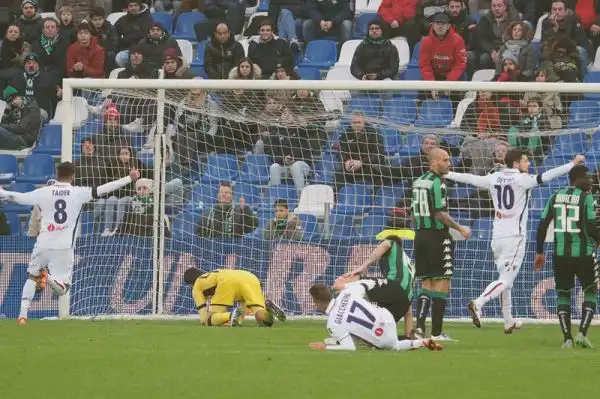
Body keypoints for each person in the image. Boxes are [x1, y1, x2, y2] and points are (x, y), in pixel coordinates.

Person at [444, 149, 585, 332]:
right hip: (515, 237)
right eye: (525, 161)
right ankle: (479, 302)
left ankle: (508, 320)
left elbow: (469, 178)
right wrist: (571, 164)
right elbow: (547, 176)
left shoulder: (494, 177)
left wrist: (447, 173)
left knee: (505, 279)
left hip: (497, 236)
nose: (529, 164)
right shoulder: (522, 179)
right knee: (506, 280)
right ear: (516, 164)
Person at [0, 162, 140, 324]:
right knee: (63, 289)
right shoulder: (78, 193)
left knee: (32, 276)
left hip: (43, 243)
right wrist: (129, 178)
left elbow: (20, 198)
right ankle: (50, 278)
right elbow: (104, 189)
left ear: (56, 174)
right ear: (73, 177)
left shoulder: (44, 191)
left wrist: (3, 192)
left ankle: (22, 316)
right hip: (63, 247)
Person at [535, 165, 599, 349]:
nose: (590, 180)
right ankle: (581, 334)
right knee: (591, 291)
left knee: (563, 294)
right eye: (586, 177)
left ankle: (567, 339)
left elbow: (542, 225)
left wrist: (539, 251)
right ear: (576, 178)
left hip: (560, 255)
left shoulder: (555, 196)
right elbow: (591, 226)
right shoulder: (586, 198)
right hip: (584, 253)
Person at [411, 148, 471, 341]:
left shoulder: (418, 181)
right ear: (435, 162)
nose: (449, 163)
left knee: (426, 282)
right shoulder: (438, 183)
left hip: (420, 235)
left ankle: (419, 328)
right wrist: (460, 228)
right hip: (437, 236)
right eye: (445, 160)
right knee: (442, 282)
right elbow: (440, 214)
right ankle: (437, 333)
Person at [307, 282, 442, 351]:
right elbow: (368, 284)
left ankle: (415, 342)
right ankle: (421, 341)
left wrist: (324, 347)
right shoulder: (347, 292)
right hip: (387, 317)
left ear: (317, 303)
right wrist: (347, 284)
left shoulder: (332, 323)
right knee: (357, 329)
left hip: (381, 338)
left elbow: (349, 348)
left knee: (390, 345)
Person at [343, 227, 416, 331]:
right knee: (380, 329)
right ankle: (408, 338)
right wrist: (410, 336)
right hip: (404, 301)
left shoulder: (392, 243)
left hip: (394, 288)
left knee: (353, 281)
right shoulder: (410, 264)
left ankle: (342, 318)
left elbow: (386, 244)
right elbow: (408, 313)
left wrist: (363, 266)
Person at [183, 268, 287, 327]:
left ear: (190, 285)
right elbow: (241, 312)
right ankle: (266, 306)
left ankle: (230, 315)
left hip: (226, 282)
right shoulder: (211, 274)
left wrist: (219, 318)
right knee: (265, 322)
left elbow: (203, 319)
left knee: (209, 320)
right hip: (249, 277)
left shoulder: (196, 285)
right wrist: (234, 321)